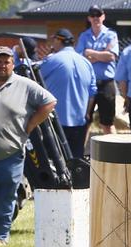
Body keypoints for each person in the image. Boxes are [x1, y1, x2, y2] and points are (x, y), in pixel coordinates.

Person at [0, 47, 56, 245]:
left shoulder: (24, 85)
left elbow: (49, 101)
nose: (2, 65)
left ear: (13, 64)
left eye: (6, 62)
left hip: (10, 155)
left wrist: (30, 124)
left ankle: (1, 238)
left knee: (6, 198)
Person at [39, 29, 97, 159]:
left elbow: (36, 79)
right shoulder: (86, 63)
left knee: (55, 162)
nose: (52, 43)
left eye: (53, 40)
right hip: (79, 122)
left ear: (59, 40)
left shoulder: (53, 60)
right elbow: (92, 93)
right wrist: (86, 113)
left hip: (56, 123)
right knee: (76, 161)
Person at [75, 4, 119, 134]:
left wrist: (90, 52)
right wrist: (101, 54)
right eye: (93, 15)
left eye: (98, 15)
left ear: (103, 16)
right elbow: (79, 58)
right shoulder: (83, 36)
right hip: (87, 83)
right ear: (89, 18)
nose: (96, 18)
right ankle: (80, 153)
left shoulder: (111, 35)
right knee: (84, 120)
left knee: (107, 122)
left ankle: (114, 152)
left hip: (106, 84)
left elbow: (111, 56)